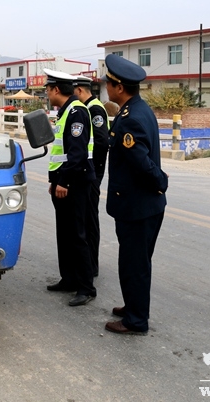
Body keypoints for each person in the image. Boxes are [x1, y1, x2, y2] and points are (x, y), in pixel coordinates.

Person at [102, 54, 168, 335]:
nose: (106, 87)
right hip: (141, 205)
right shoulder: (137, 109)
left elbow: (142, 163)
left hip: (138, 206)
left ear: (119, 87)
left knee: (135, 265)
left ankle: (136, 320)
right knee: (135, 262)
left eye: (108, 83)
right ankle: (133, 306)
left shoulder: (131, 119)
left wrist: (161, 181)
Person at [44, 68, 97, 307]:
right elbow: (60, 152)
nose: (47, 94)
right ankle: (69, 279)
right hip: (64, 181)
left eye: (48, 90)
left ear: (56, 89)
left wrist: (64, 182)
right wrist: (54, 181)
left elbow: (77, 153)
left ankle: (86, 287)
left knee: (77, 235)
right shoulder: (65, 112)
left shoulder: (77, 112)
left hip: (75, 182)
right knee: (64, 234)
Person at [73, 75, 109, 277]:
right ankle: (87, 263)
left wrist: (92, 168)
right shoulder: (88, 107)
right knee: (86, 217)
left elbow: (102, 141)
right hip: (91, 171)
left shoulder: (94, 109)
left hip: (93, 171)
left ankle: (92, 265)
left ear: (79, 90)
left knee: (90, 219)